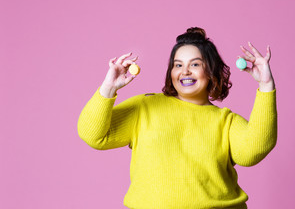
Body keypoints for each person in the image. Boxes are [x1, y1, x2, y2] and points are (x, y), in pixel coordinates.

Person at [78, 27, 277, 209]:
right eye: (178, 64)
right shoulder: (145, 107)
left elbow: (253, 151)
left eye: (195, 64)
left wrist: (266, 86)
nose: (185, 71)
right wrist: (108, 87)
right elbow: (93, 135)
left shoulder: (225, 121)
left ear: (211, 71)